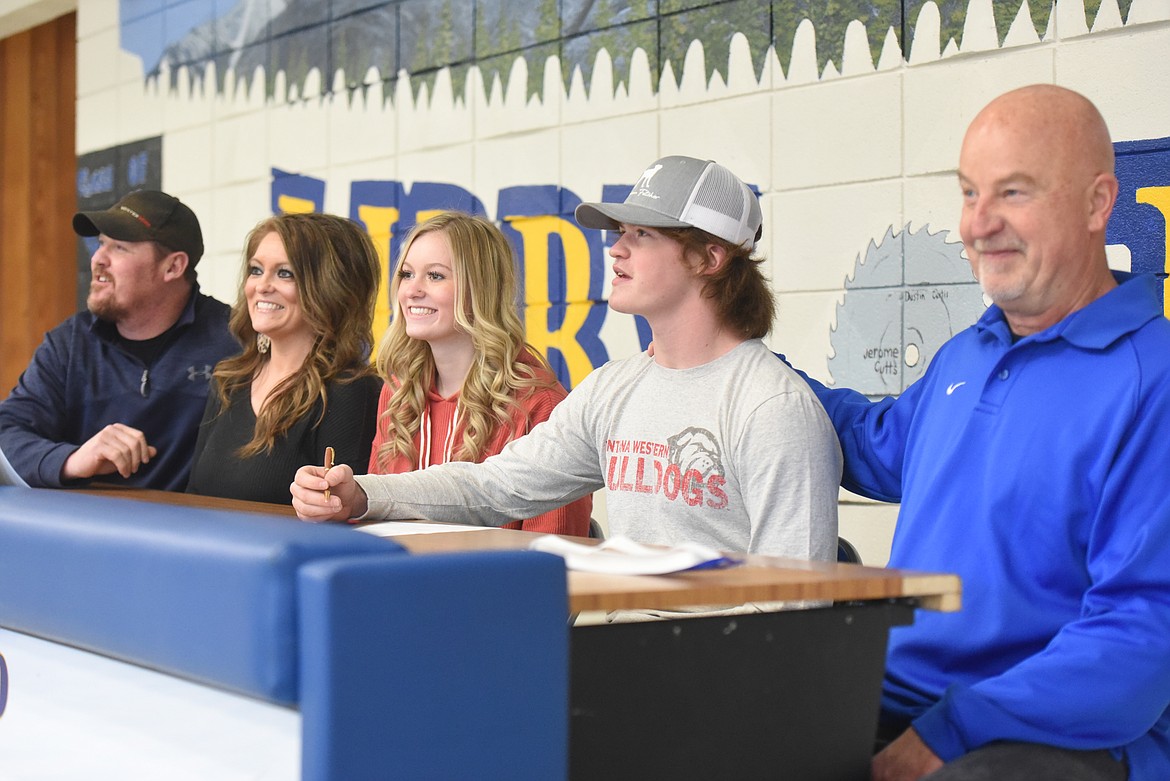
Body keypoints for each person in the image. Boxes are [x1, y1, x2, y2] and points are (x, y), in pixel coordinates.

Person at [787, 85, 1170, 781]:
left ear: (1097, 203)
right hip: (900, 694)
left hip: (1062, 733)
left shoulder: (1155, 377)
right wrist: (761, 373)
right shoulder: (969, 352)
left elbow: (1143, 634)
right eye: (969, 193)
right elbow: (877, 444)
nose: (978, 224)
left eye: (1014, 193)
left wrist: (953, 731)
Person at [292, 155, 842, 568]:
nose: (615, 250)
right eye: (619, 234)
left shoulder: (773, 407)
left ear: (710, 257)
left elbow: (797, 608)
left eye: (642, 235)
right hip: (622, 655)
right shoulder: (612, 389)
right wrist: (362, 494)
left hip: (712, 683)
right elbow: (494, 487)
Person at [366, 211, 591, 536]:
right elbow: (376, 520)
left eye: (435, 276)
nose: (412, 290)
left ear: (481, 289)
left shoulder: (540, 405)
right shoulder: (399, 391)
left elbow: (550, 553)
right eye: (406, 274)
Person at [0, 190, 238, 490]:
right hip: (88, 531)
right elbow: (6, 433)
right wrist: (72, 460)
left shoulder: (236, 340)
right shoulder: (69, 345)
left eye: (119, 248)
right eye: (100, 244)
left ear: (173, 267)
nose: (98, 259)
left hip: (199, 532)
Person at [186, 213, 382, 505]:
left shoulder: (349, 390)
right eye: (255, 270)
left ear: (330, 287)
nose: (261, 286)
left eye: (284, 273)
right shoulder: (229, 379)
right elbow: (195, 496)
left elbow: (338, 515)